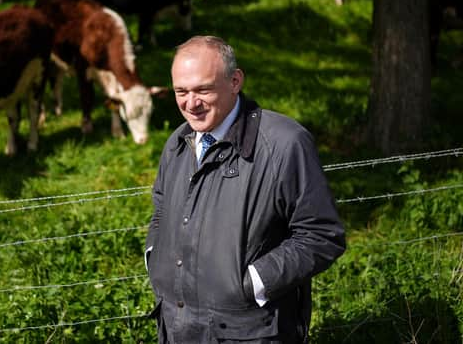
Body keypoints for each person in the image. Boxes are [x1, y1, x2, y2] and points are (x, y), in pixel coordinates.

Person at [145, 35, 346, 343]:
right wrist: (155, 259)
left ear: (235, 80)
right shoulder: (178, 142)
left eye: (203, 89)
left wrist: (253, 282)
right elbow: (162, 207)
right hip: (178, 326)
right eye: (181, 91)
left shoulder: (284, 144)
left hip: (249, 332)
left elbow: (321, 235)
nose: (191, 103)